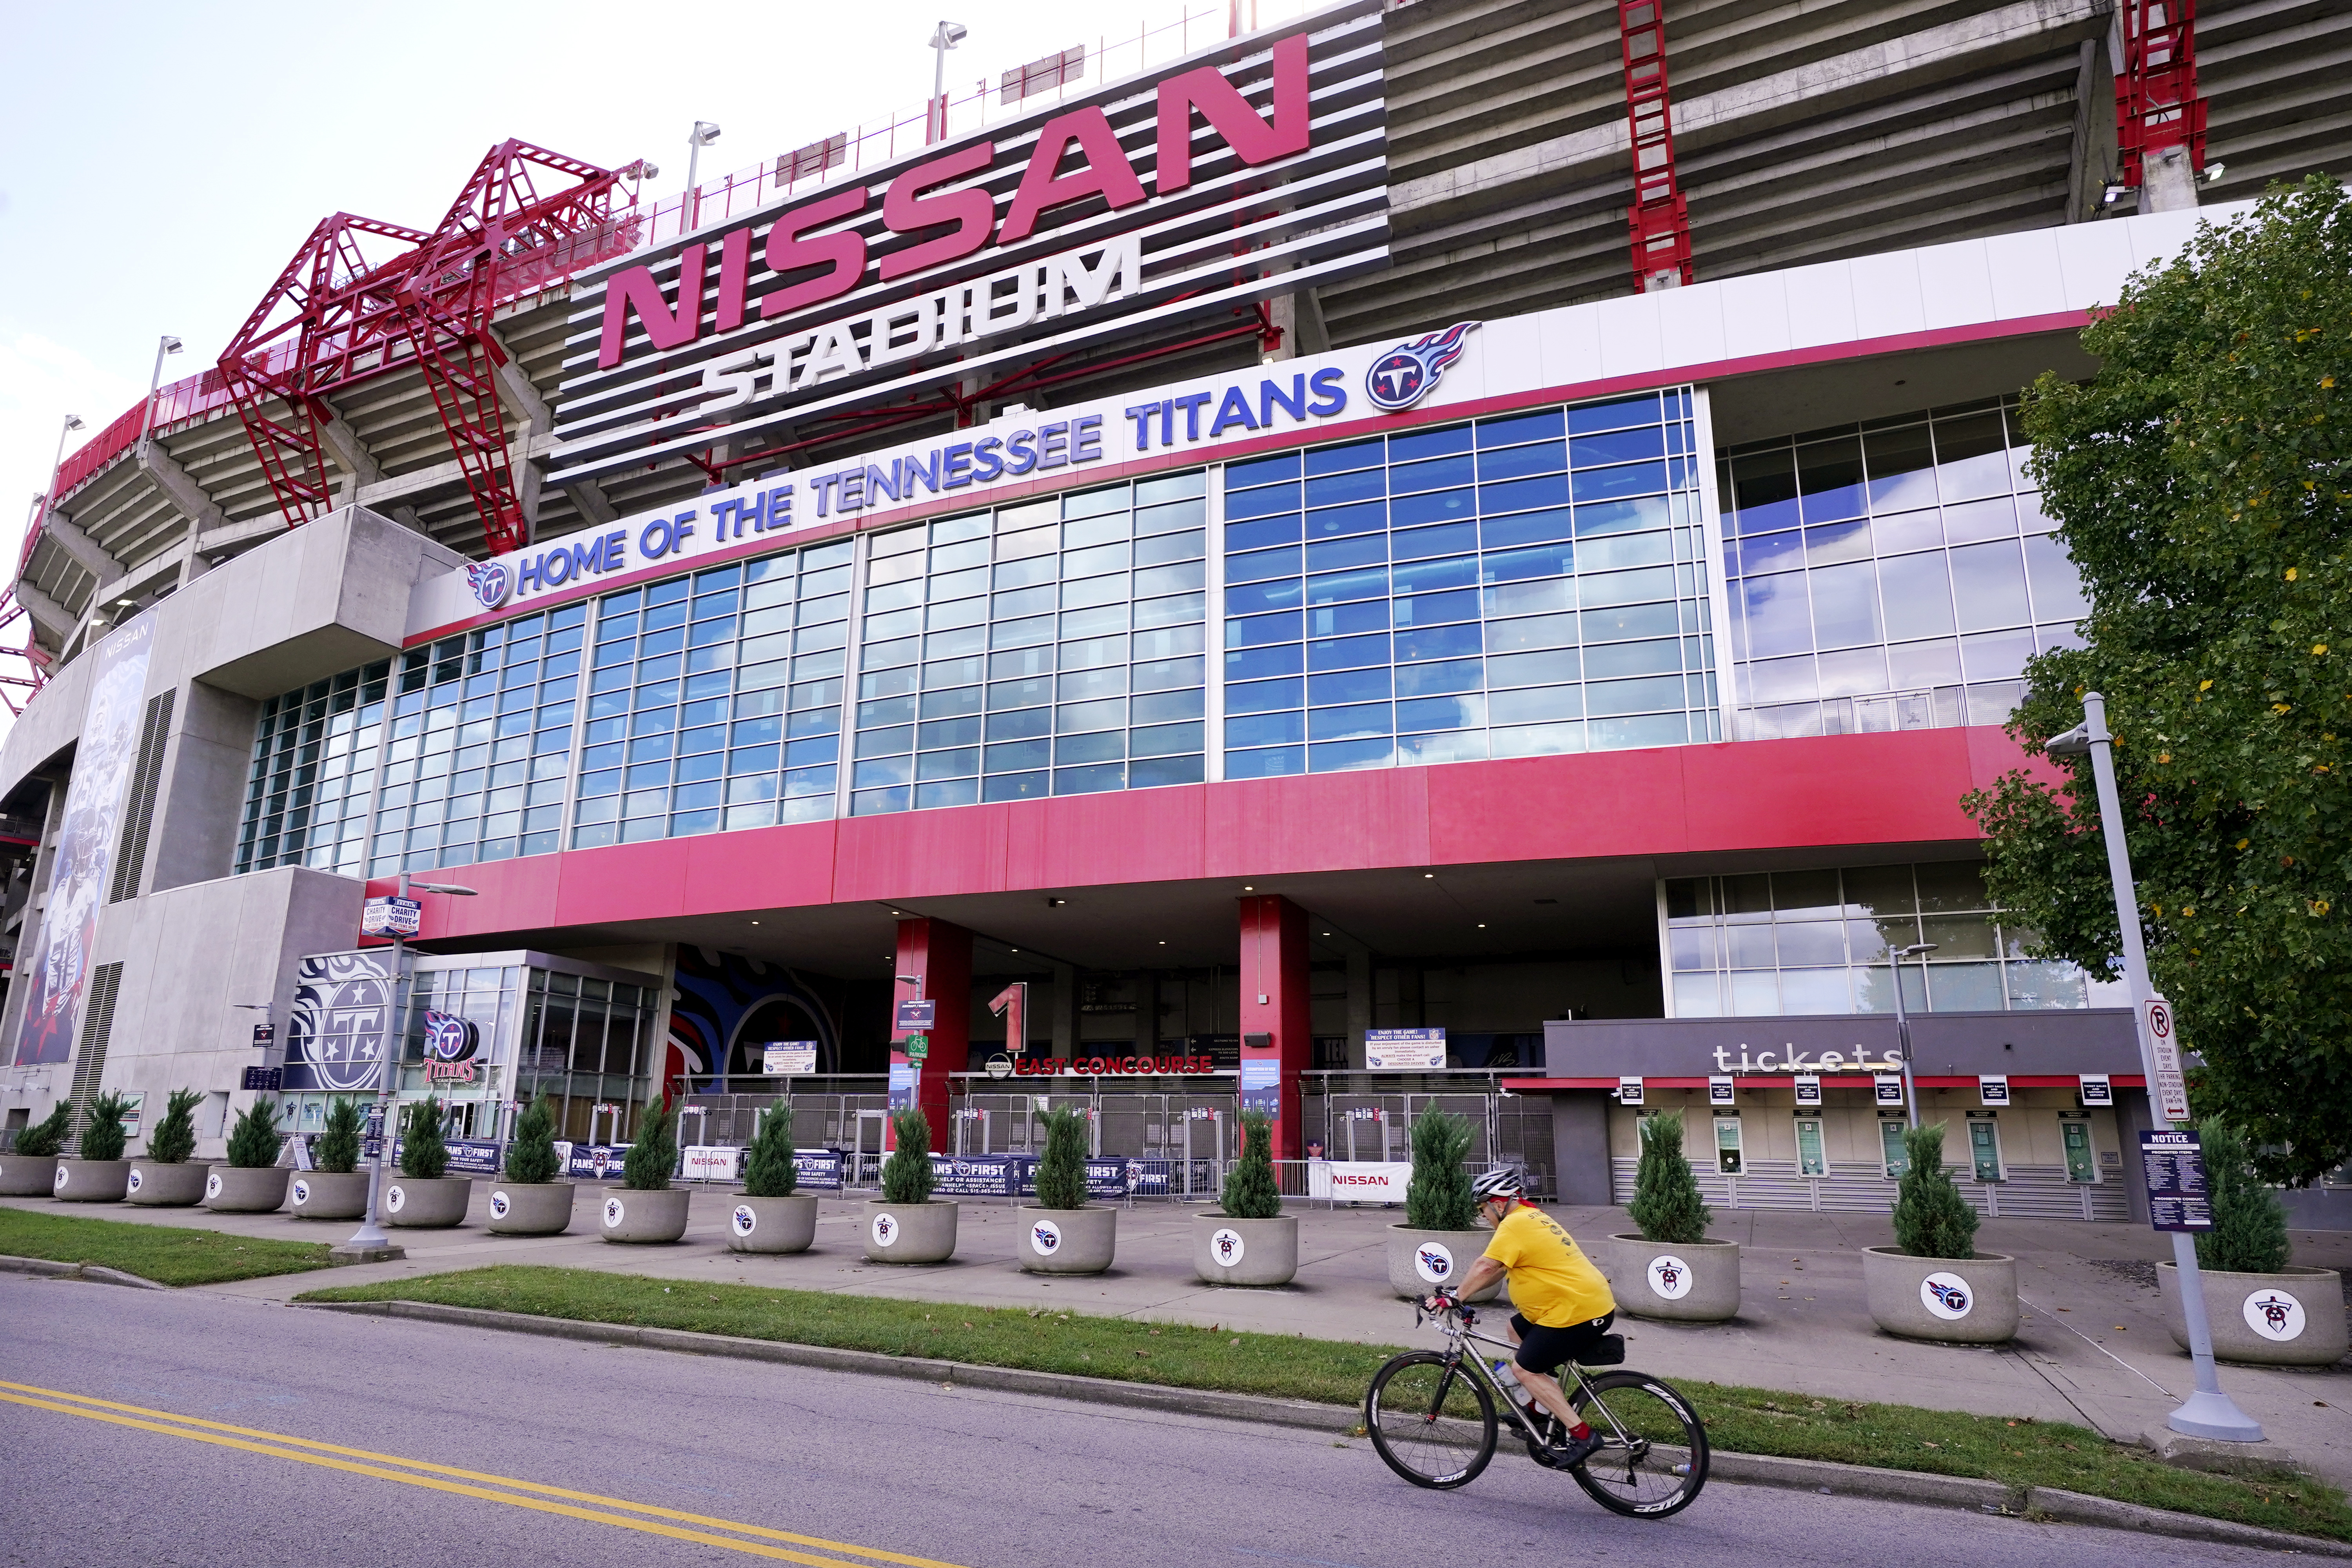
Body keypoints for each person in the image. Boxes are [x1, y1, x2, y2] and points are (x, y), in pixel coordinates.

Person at [1432, 1168, 1614, 1468]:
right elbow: (1500, 1270)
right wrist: (1458, 1290)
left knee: (1525, 1370)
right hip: (1573, 1305)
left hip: (1577, 1311)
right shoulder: (1531, 1217)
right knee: (1515, 1329)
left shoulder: (1515, 1224)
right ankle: (1540, 1411)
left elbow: (1486, 1267)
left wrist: (1455, 1298)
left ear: (1499, 1204)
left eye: (1483, 1210)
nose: (1484, 1217)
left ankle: (1582, 1435)